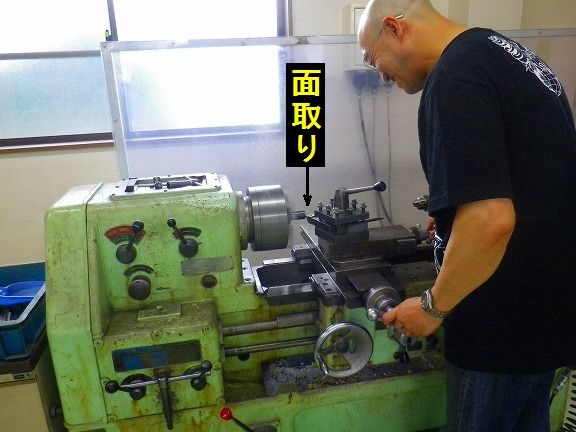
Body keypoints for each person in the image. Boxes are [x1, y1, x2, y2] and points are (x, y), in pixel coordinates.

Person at [357, 1, 576, 431]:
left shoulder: (455, 77)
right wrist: (455, 212)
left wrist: (431, 308)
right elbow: (535, 176)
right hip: (544, 314)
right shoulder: (501, 51)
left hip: (499, 328)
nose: (380, 75)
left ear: (395, 28)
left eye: (372, 58)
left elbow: (491, 220)